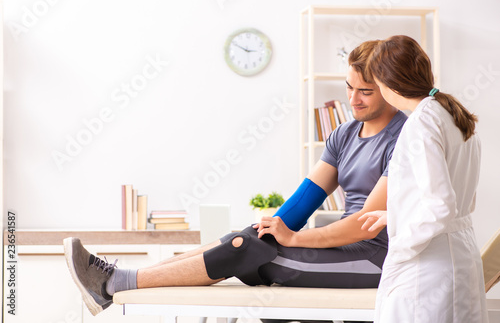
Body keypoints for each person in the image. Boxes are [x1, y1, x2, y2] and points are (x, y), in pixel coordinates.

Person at [64, 40, 408, 317]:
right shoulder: (344, 134)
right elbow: (304, 201)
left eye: (365, 92)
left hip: (375, 258)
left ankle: (114, 282)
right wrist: (269, 228)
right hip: (342, 249)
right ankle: (117, 279)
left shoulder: (404, 138)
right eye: (349, 88)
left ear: (390, 89)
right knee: (243, 239)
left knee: (251, 252)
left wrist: (294, 239)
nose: (352, 99)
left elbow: (365, 224)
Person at [357, 35, 488, 322]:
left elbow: (441, 206)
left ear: (389, 83)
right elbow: (459, 196)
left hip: (429, 267)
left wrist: (401, 247)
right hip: (458, 255)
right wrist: (396, 214)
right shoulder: (453, 113)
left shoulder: (421, 123)